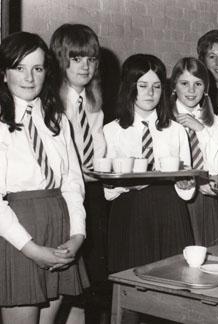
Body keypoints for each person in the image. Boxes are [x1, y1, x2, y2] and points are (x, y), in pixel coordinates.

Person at [0, 32, 89, 323]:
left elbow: (73, 184)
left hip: (60, 228)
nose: (29, 77)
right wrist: (32, 249)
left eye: (37, 68)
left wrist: (77, 235)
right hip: (16, 236)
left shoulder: (57, 120)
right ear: (4, 73)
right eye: (19, 67)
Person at [103, 54, 194, 273]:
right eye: (142, 85)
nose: (150, 93)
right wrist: (127, 183)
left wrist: (185, 185)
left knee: (172, 275)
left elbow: (188, 183)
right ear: (129, 87)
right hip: (130, 210)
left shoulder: (176, 130)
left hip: (169, 209)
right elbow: (107, 189)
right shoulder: (111, 131)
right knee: (131, 275)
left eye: (156, 86)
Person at [50, 23, 110, 295]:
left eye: (91, 59)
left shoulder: (95, 103)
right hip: (64, 197)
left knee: (95, 280)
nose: (85, 66)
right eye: (76, 58)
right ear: (61, 60)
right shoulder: (50, 104)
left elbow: (99, 153)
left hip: (95, 193)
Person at [170, 57, 218, 246]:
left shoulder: (213, 121)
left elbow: (217, 165)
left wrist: (200, 130)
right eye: (184, 83)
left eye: (198, 84)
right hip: (172, 197)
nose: (191, 90)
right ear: (174, 86)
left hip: (203, 197)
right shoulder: (165, 118)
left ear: (206, 89)